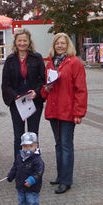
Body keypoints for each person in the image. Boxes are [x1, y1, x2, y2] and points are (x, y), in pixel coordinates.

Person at [41, 33, 87, 194]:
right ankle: (60, 176)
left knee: (66, 145)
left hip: (67, 111)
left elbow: (81, 90)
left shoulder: (74, 63)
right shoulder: (50, 64)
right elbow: (44, 88)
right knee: (58, 144)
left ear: (68, 45)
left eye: (63, 43)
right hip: (54, 110)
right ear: (53, 46)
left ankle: (66, 180)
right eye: (57, 44)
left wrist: (78, 113)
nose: (60, 46)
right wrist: (45, 89)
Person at [1, 28, 46, 160]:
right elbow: (5, 84)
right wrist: (15, 96)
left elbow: (43, 80)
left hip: (34, 101)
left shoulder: (36, 58)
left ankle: (34, 164)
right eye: (19, 40)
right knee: (18, 136)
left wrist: (36, 92)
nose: (22, 43)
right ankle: (19, 165)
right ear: (15, 42)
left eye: (24, 40)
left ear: (29, 42)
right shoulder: (10, 60)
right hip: (17, 103)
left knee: (33, 135)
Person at [7, 132, 45, 205]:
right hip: (20, 184)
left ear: (36, 146)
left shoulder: (37, 160)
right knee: (21, 199)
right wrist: (11, 175)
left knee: (32, 200)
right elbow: (15, 167)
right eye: (25, 146)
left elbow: (39, 172)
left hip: (32, 186)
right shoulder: (19, 156)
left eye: (30, 146)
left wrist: (32, 180)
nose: (27, 149)